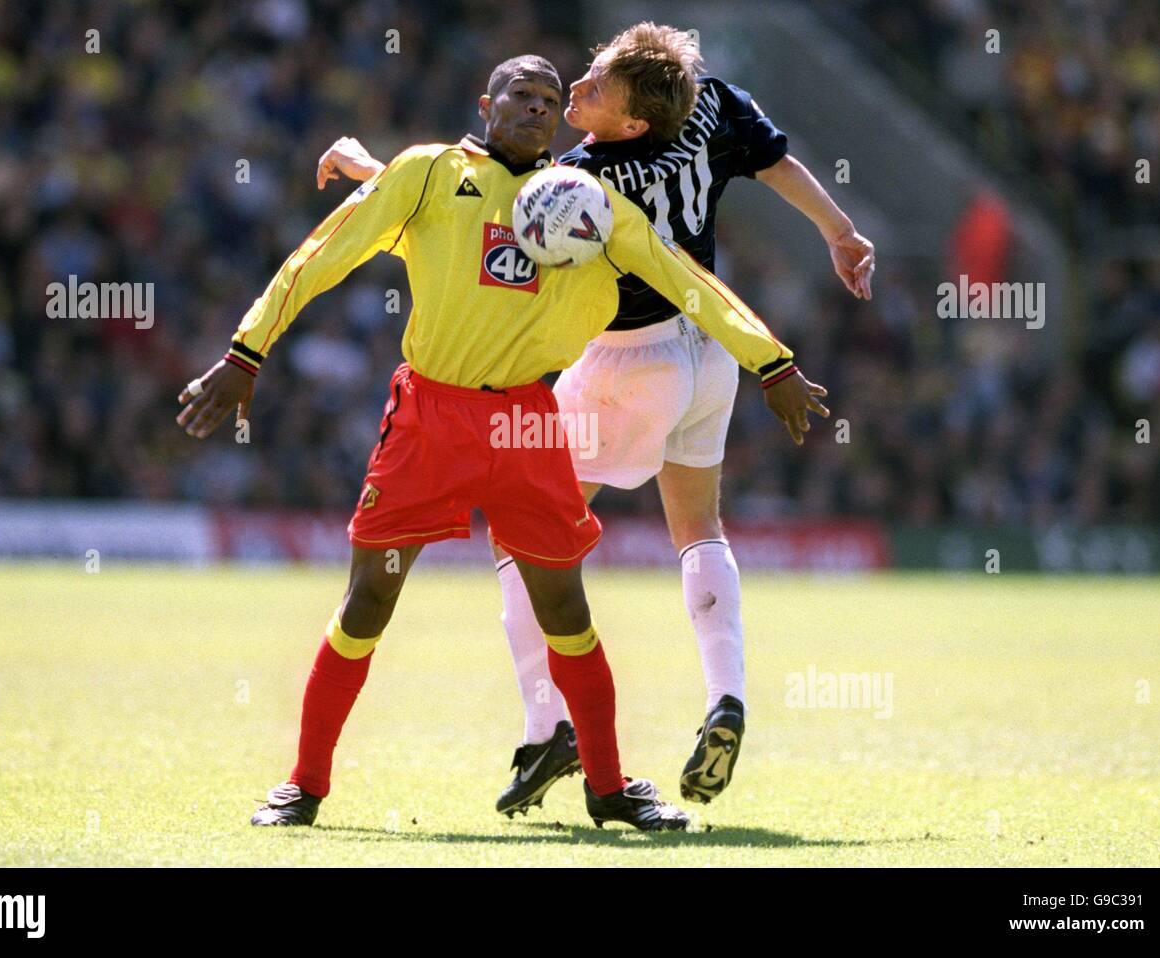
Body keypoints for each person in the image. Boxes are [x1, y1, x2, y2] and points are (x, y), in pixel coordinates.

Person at [177, 54, 826, 831]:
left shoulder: (585, 205)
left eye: (552, 101)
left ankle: (607, 786)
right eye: (522, 94)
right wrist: (246, 353)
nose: (538, 108)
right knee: (367, 602)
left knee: (566, 608)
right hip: (428, 420)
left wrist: (772, 361)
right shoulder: (427, 174)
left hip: (526, 423)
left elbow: (683, 277)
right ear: (487, 103)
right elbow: (323, 256)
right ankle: (303, 785)